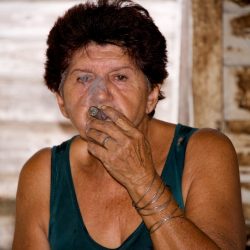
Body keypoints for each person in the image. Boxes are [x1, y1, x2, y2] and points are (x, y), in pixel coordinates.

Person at [12, 0, 245, 249]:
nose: (100, 95)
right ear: (61, 100)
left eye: (120, 77)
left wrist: (142, 181)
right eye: (83, 78)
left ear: (151, 96)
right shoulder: (44, 174)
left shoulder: (204, 151)